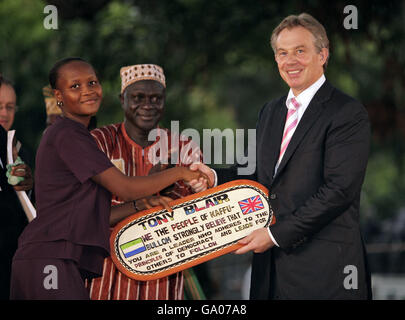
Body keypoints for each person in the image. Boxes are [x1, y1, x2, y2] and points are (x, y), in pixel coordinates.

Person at [190, 13, 372, 299]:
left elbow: (338, 191)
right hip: (269, 275)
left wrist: (275, 235)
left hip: (325, 274)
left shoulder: (347, 113)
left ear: (322, 55)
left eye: (300, 51)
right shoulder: (271, 111)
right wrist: (212, 176)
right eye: (282, 53)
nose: (290, 61)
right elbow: (253, 173)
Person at [9, 57, 206, 300]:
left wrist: (139, 205)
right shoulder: (72, 135)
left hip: (62, 260)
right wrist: (178, 172)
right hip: (52, 261)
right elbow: (124, 187)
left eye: (92, 82)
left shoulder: (76, 134)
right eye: (75, 86)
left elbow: (90, 213)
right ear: (58, 96)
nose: (87, 91)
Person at [88, 64, 207, 300]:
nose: (147, 105)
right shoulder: (99, 142)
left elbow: (196, 216)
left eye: (156, 98)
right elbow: (86, 212)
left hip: (161, 275)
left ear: (164, 102)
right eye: (138, 97)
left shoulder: (184, 148)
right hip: (104, 273)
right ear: (123, 100)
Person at [0, 75, 33, 300]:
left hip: (14, 266)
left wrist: (28, 188)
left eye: (10, 107)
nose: (4, 113)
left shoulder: (22, 151)